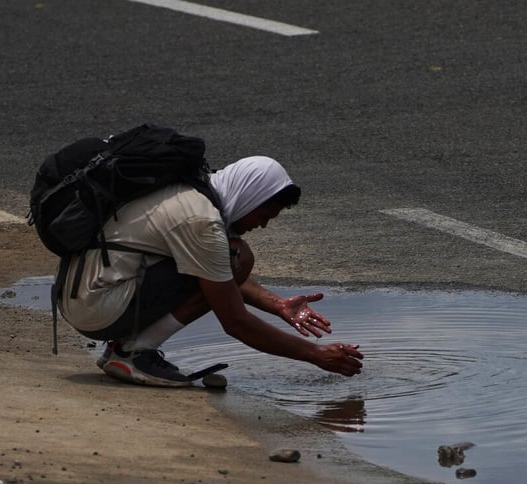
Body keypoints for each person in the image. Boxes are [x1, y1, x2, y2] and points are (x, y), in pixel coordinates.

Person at [57, 155, 364, 387]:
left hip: (86, 294)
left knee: (231, 260)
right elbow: (235, 322)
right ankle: (132, 353)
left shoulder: (193, 190)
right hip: (97, 307)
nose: (263, 225)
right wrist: (316, 355)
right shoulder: (201, 221)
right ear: (250, 197)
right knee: (237, 258)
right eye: (263, 214)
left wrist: (277, 304)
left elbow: (211, 273)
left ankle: (129, 348)